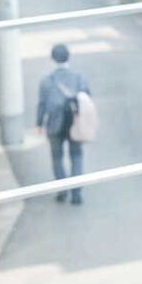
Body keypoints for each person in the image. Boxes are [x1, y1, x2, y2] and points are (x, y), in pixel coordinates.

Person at [35, 43, 91, 205]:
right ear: (69, 57)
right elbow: (86, 97)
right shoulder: (79, 78)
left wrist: (39, 124)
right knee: (76, 155)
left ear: (53, 58)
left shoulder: (46, 81)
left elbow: (42, 104)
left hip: (54, 124)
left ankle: (62, 190)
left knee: (57, 157)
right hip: (75, 123)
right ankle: (76, 192)